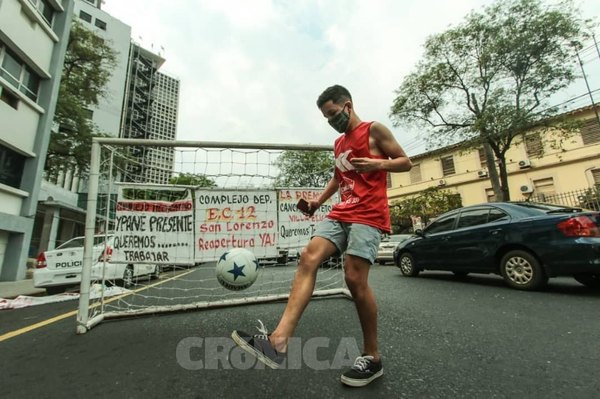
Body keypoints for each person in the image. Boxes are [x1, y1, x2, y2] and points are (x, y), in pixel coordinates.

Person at [232, 84, 412, 387]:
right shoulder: (339, 143)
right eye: (326, 118)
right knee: (308, 257)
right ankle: (278, 342)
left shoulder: (374, 130)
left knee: (354, 278)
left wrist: (378, 163)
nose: (331, 121)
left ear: (347, 106)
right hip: (342, 211)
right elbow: (338, 176)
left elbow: (406, 162)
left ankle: (372, 357)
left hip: (369, 213)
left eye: (332, 114)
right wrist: (317, 201)